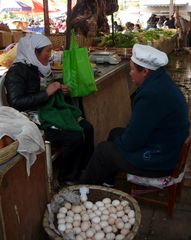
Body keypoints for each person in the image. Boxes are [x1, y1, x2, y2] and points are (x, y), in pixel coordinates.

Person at [80, 43, 189, 185]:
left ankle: (84, 189)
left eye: (132, 69)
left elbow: (132, 141)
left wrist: (118, 145)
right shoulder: (160, 80)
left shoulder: (152, 95)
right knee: (114, 133)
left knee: (103, 151)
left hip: (160, 159)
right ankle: (107, 181)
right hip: (166, 146)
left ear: (145, 71)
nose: (130, 73)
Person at [4, 33, 94, 185]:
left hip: (46, 110)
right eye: (47, 51)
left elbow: (45, 87)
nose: (50, 55)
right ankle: (67, 179)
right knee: (74, 137)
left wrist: (59, 88)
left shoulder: (39, 68)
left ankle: (84, 169)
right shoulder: (16, 72)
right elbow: (16, 102)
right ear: (34, 52)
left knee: (87, 127)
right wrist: (47, 93)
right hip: (30, 119)